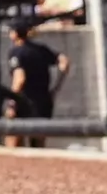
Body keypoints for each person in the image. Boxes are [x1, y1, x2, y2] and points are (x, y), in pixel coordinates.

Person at [4, 19, 68, 149]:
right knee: (38, 142)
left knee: (13, 137)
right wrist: (56, 87)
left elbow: (19, 78)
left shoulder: (16, 52)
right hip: (43, 100)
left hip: (24, 100)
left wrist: (12, 102)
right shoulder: (40, 50)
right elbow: (64, 61)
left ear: (15, 33)